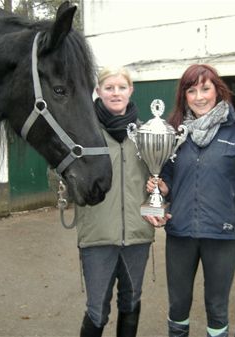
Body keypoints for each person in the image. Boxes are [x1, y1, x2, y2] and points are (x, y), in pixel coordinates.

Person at [145, 64, 235, 337]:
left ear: (218, 91)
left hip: (222, 235)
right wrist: (160, 188)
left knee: (217, 307)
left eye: (205, 89)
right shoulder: (173, 132)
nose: (199, 97)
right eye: (192, 90)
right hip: (181, 232)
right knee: (178, 305)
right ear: (184, 96)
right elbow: (169, 178)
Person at [73, 66, 154, 337]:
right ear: (98, 91)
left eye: (121, 87)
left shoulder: (147, 135)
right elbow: (62, 174)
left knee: (131, 303)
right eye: (109, 87)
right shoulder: (84, 134)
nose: (115, 93)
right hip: (98, 238)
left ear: (131, 91)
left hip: (137, 236)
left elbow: (157, 182)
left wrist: (160, 193)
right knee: (97, 310)